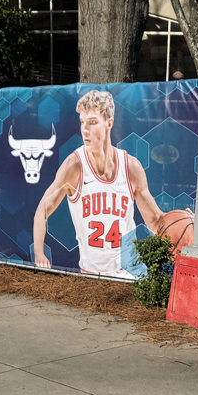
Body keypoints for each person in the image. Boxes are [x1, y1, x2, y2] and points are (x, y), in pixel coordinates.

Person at [33, 89, 182, 279]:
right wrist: (39, 252)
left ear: (109, 123)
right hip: (93, 274)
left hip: (132, 272)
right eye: (82, 123)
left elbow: (155, 221)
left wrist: (182, 223)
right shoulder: (74, 166)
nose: (85, 130)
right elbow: (41, 211)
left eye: (93, 122)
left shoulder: (131, 167)